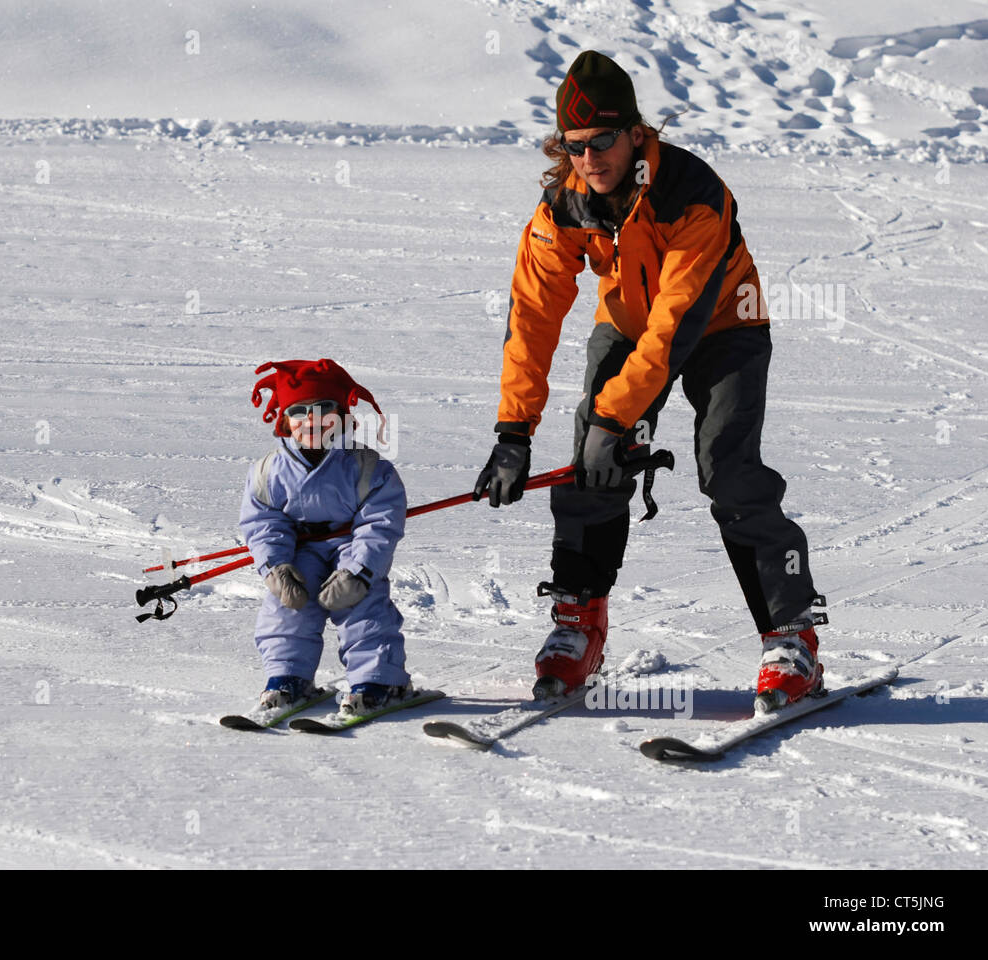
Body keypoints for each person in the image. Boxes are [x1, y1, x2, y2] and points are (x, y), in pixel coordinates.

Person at [473, 50, 826, 713]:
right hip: (629, 325)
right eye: (573, 147)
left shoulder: (692, 193)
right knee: (589, 464)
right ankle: (582, 621)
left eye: (601, 141)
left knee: (727, 467)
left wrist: (617, 421)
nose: (588, 159)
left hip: (723, 323)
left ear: (636, 132)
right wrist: (513, 429)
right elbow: (531, 317)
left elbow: (675, 326)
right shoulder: (565, 207)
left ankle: (792, 636)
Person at [241, 358, 412, 716]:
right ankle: (287, 676)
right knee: (288, 604)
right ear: (285, 419)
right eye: (299, 411)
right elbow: (263, 524)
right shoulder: (267, 472)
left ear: (343, 416)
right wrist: (276, 568)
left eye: (322, 409)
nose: (312, 420)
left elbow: (379, 524)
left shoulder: (368, 467)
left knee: (361, 603)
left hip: (351, 548)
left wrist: (360, 571)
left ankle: (379, 678)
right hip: (300, 548)